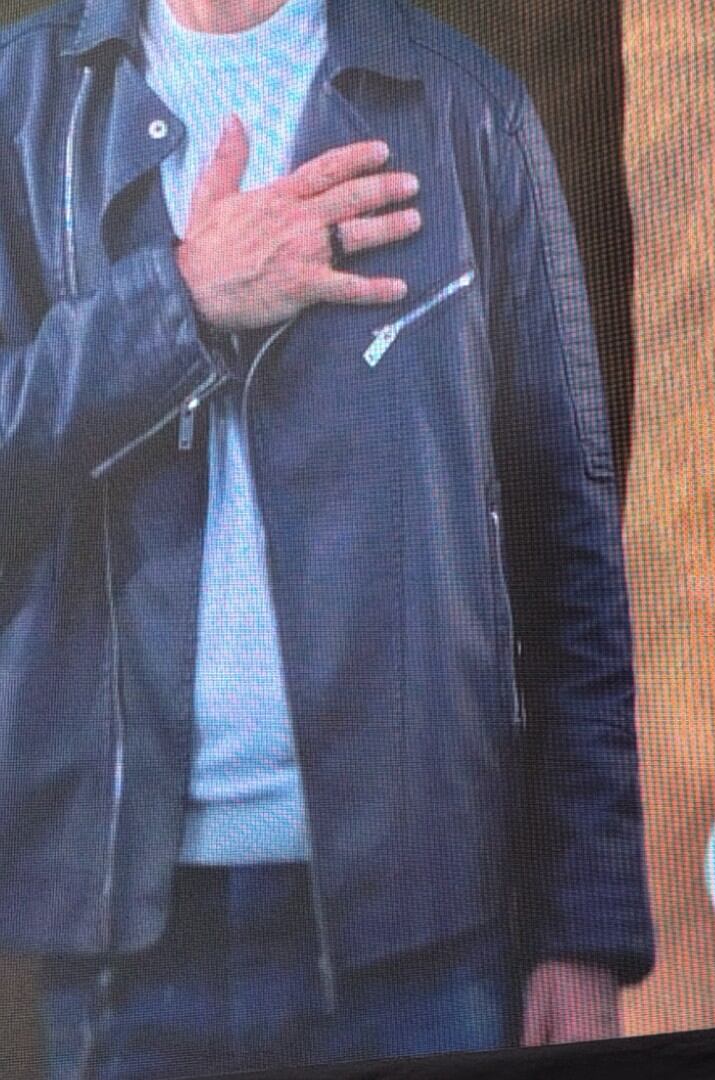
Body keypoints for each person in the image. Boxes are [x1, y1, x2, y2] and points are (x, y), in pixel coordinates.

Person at [0, 0, 653, 1076]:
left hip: (433, 941)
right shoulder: (26, 108)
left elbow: (564, 539)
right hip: (133, 953)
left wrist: (582, 930)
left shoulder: (465, 107)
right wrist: (185, 298)